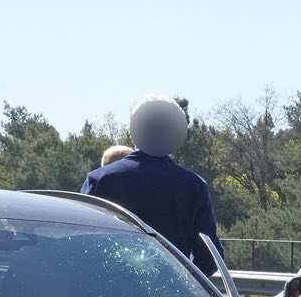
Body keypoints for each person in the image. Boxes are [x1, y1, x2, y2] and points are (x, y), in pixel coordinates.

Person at [81, 96, 218, 274]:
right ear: (176, 132)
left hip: (107, 292)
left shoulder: (101, 179)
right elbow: (209, 260)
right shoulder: (194, 186)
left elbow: (83, 244)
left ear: (136, 129)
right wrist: (180, 283)